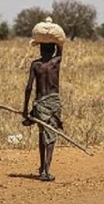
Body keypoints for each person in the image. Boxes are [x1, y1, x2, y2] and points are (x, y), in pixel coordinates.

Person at [22, 17, 65, 182]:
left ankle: (42, 169)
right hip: (53, 103)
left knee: (42, 135)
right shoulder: (57, 61)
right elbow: (61, 45)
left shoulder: (35, 65)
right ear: (53, 49)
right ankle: (46, 168)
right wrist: (52, 30)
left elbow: (28, 88)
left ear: (40, 49)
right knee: (51, 135)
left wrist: (26, 110)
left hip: (40, 104)